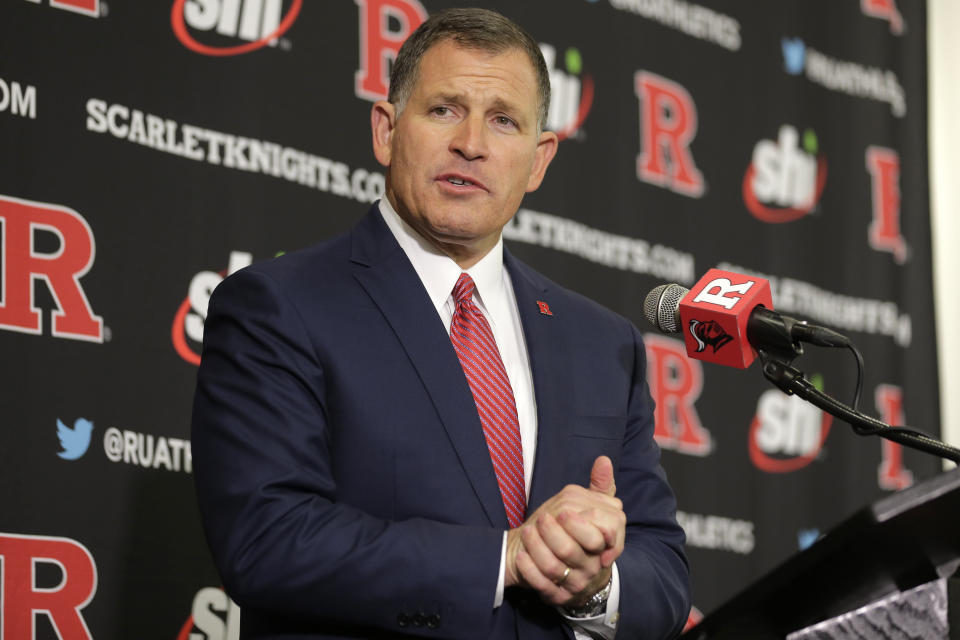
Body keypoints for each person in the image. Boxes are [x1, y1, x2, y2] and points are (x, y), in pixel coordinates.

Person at [192, 7, 689, 639]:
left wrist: (592, 587)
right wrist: (503, 558)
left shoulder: (602, 342)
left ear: (538, 163)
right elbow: (266, 539)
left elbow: (664, 574)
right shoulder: (278, 306)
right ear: (386, 131)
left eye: (503, 121)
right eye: (445, 109)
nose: (472, 144)